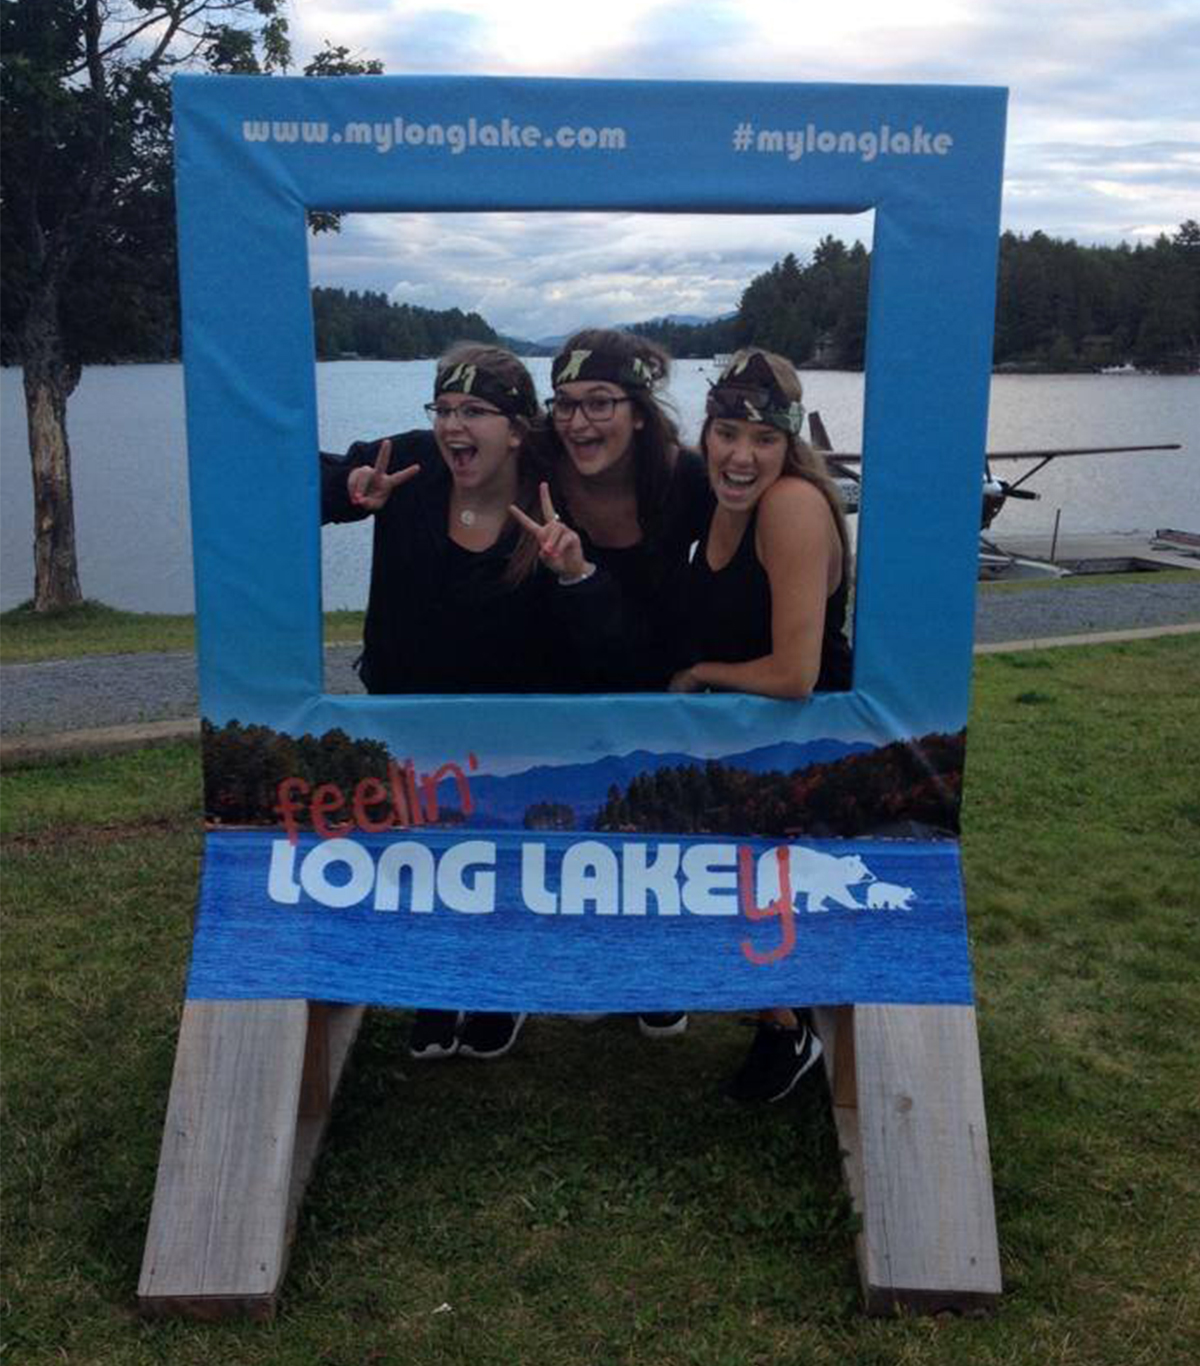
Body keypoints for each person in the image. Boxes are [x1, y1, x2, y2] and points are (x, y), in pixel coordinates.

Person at [321, 342, 595, 1062]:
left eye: (473, 411)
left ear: (517, 426)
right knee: (421, 856)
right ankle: (437, 989)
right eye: (443, 408)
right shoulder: (406, 465)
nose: (451, 426)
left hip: (514, 728)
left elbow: (589, 619)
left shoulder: (551, 497)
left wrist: (572, 571)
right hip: (406, 711)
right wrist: (350, 485)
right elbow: (309, 481)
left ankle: (504, 988)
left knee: (501, 864)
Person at [516, 328, 715, 1039]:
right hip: (560, 676)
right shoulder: (535, 463)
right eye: (564, 403)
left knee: (655, 831)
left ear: (638, 409)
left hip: (660, 680)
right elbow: (439, 453)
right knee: (567, 830)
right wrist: (345, 486)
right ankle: (582, 966)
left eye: (599, 402)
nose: (578, 421)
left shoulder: (686, 478)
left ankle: (657, 974)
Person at [669, 348, 853, 1102]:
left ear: (789, 445)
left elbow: (794, 674)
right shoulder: (719, 498)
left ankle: (788, 1027)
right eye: (726, 433)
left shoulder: (791, 507)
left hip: (805, 742)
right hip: (744, 739)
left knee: (701, 870)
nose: (741, 456)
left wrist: (699, 675)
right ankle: (771, 1011)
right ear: (706, 434)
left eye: (763, 440)